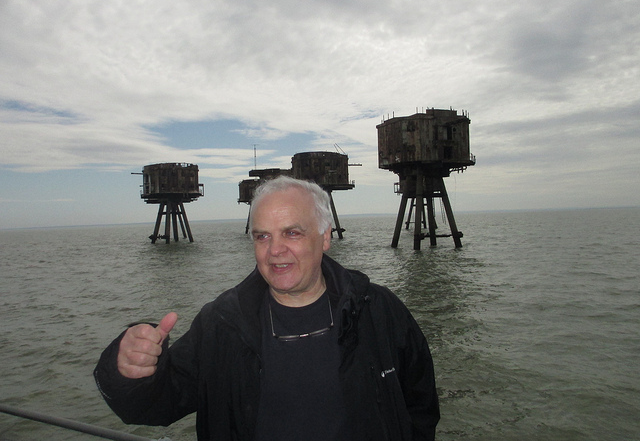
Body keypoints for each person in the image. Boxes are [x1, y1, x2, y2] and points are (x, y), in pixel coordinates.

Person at [94, 176, 440, 440]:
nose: (275, 250)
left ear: (324, 237)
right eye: (262, 236)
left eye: (291, 233)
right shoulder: (223, 323)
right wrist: (128, 369)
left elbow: (420, 402)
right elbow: (155, 405)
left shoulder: (378, 310)